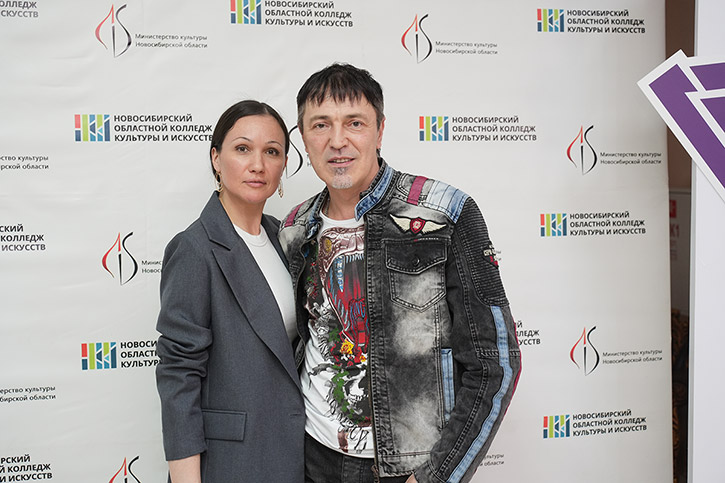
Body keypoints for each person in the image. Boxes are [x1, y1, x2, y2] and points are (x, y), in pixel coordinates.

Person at [278, 64, 521, 483]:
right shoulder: (295, 228)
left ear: (380, 130)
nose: (337, 140)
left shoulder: (444, 215)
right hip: (312, 459)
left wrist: (435, 476)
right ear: (303, 137)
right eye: (321, 125)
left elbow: (495, 364)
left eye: (355, 123)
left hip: (406, 469)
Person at [155, 100, 304, 483]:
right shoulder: (194, 248)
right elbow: (179, 375)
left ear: (284, 165)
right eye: (242, 148)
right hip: (231, 463)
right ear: (216, 158)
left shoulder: (284, 237)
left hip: (292, 455)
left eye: (272, 151)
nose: (258, 164)